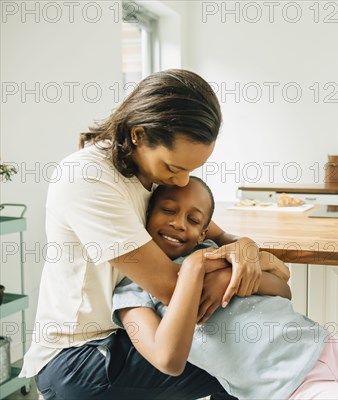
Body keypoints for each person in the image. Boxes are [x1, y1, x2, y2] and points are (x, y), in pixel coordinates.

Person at [20, 69, 290, 399]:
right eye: (174, 168)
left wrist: (247, 249)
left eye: (191, 170)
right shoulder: (89, 178)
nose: (180, 182)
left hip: (122, 334)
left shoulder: (151, 175)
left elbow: (221, 237)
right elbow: (173, 288)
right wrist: (233, 276)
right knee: (250, 357)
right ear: (139, 135)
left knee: (252, 338)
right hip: (80, 357)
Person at [112, 176, 338, 400]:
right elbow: (168, 360)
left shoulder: (212, 253)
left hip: (329, 348)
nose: (177, 223)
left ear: (204, 232)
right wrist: (195, 268)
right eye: (168, 210)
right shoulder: (134, 289)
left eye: (193, 220)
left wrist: (229, 280)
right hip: (288, 388)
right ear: (146, 217)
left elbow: (282, 290)